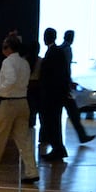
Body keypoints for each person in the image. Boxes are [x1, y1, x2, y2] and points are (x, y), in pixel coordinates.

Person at [0, 33, 37, 183]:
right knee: (24, 140)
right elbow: (17, 83)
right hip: (22, 102)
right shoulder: (24, 63)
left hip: (8, 104)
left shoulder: (8, 62)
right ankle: (32, 171)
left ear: (7, 48)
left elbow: (10, 80)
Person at [37, 27, 71, 160]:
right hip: (55, 95)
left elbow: (52, 76)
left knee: (52, 122)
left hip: (52, 95)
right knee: (53, 122)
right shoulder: (58, 52)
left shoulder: (53, 53)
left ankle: (58, 148)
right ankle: (58, 148)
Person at [59, 30, 96, 143]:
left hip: (62, 86)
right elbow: (66, 69)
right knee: (73, 112)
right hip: (64, 87)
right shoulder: (67, 49)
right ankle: (82, 136)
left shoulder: (61, 48)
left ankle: (82, 136)